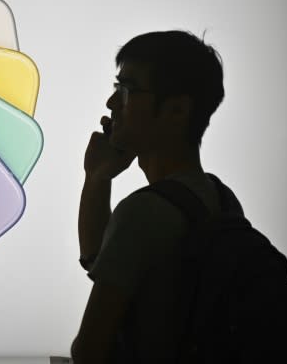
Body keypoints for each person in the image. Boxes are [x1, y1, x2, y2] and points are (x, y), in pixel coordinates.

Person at [70, 29, 229, 363]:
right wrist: (99, 177)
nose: (112, 103)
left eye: (127, 90)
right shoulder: (221, 199)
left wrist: (97, 177)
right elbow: (101, 259)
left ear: (176, 111)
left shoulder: (144, 213)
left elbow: (88, 352)